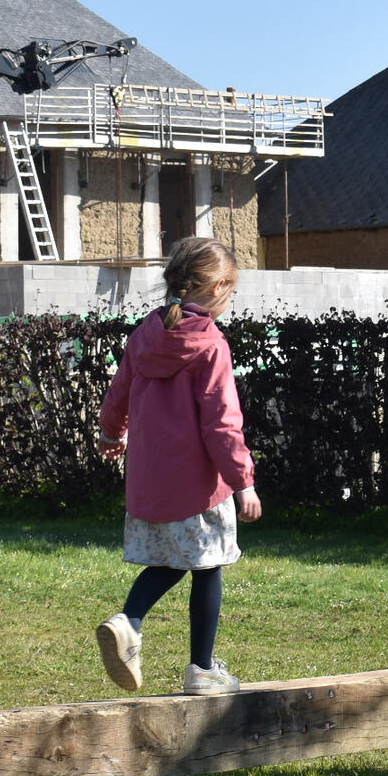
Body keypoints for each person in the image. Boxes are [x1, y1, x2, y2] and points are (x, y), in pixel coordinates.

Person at [93, 238, 261, 697]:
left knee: (173, 561)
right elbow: (222, 422)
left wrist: (111, 434)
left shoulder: (146, 333)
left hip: (150, 479)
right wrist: (242, 481)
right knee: (208, 567)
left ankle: (128, 619)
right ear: (217, 288)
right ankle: (201, 669)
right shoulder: (211, 345)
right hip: (199, 483)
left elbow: (118, 393)